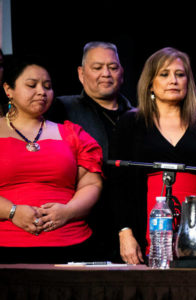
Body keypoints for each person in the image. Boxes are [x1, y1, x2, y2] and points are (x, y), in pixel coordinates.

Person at [110, 47, 196, 265]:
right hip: (142, 233)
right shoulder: (130, 123)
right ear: (150, 82)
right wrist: (125, 233)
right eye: (164, 74)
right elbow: (118, 185)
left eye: (179, 74)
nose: (173, 80)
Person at [0, 56, 103, 263]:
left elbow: (91, 183)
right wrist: (12, 212)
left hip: (71, 245)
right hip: (6, 246)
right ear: (8, 90)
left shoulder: (72, 133)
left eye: (47, 86)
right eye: (32, 85)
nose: (41, 92)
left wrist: (68, 212)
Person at [45, 41, 133, 261]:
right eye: (97, 67)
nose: (106, 74)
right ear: (81, 73)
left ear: (122, 72)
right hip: (80, 223)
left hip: (131, 222)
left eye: (113, 67)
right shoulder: (60, 109)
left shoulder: (138, 116)